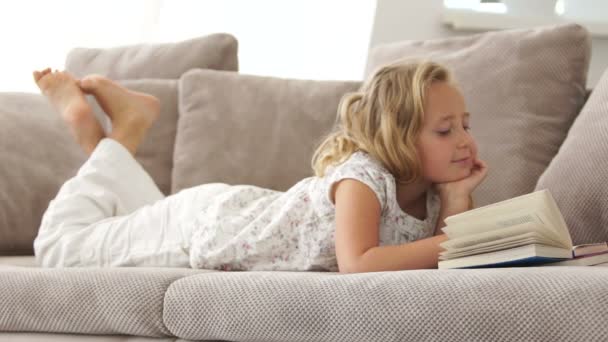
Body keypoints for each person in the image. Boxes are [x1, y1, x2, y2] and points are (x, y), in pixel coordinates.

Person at [32, 59, 487, 273]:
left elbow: (448, 262)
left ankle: (108, 137)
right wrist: (453, 239)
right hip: (201, 228)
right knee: (59, 247)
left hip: (223, 214)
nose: (465, 141)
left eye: (465, 126)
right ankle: (122, 130)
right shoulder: (363, 178)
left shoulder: (429, 194)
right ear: (396, 136)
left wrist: (456, 197)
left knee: (118, 219)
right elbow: (360, 263)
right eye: (445, 131)